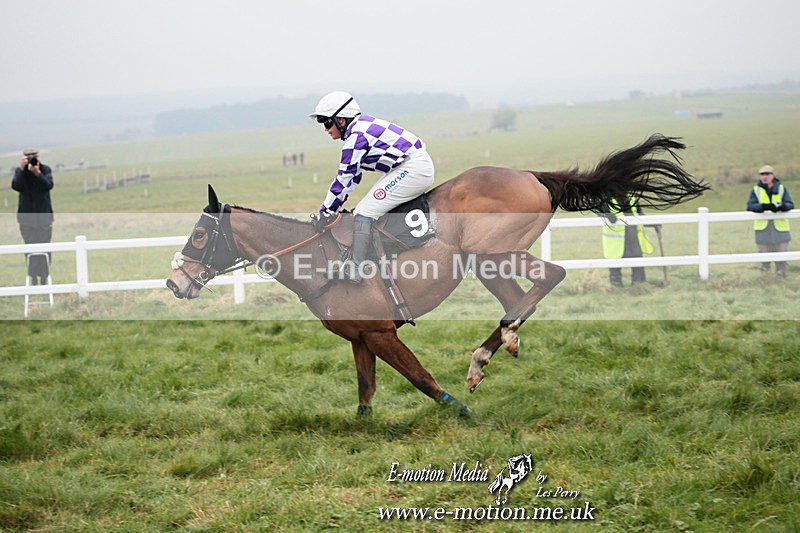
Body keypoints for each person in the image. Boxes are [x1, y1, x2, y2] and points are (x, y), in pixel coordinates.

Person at [309, 91, 435, 282]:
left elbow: (344, 178)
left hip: (414, 168)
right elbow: (353, 179)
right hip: (410, 165)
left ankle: (356, 269)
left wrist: (325, 211)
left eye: (326, 122)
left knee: (364, 212)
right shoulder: (359, 129)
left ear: (341, 120)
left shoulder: (356, 137)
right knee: (365, 207)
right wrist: (329, 209)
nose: (326, 129)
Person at [12, 148, 54, 285]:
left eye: (34, 156)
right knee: (29, 248)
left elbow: (48, 186)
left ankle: (44, 276)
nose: (32, 159)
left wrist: (38, 173)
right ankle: (33, 277)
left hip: (43, 217)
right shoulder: (20, 172)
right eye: (28, 157)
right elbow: (16, 186)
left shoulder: (45, 169)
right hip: (26, 218)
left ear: (38, 157)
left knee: (45, 247)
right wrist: (22, 170)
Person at [746, 165, 794, 277]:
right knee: (764, 258)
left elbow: (790, 204)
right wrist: (764, 207)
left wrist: (781, 206)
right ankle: (765, 280)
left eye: (767, 174)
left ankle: (781, 279)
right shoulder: (756, 190)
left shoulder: (782, 189)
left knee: (782, 258)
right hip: (763, 230)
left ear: (773, 175)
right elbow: (750, 206)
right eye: (762, 175)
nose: (765, 177)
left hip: (780, 229)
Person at [601, 196, 655, 287]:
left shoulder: (632, 198)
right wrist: (608, 214)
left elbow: (640, 215)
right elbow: (599, 209)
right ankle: (616, 287)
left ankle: (639, 285)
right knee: (615, 266)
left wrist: (653, 223)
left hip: (633, 237)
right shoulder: (606, 198)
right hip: (616, 242)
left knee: (637, 262)